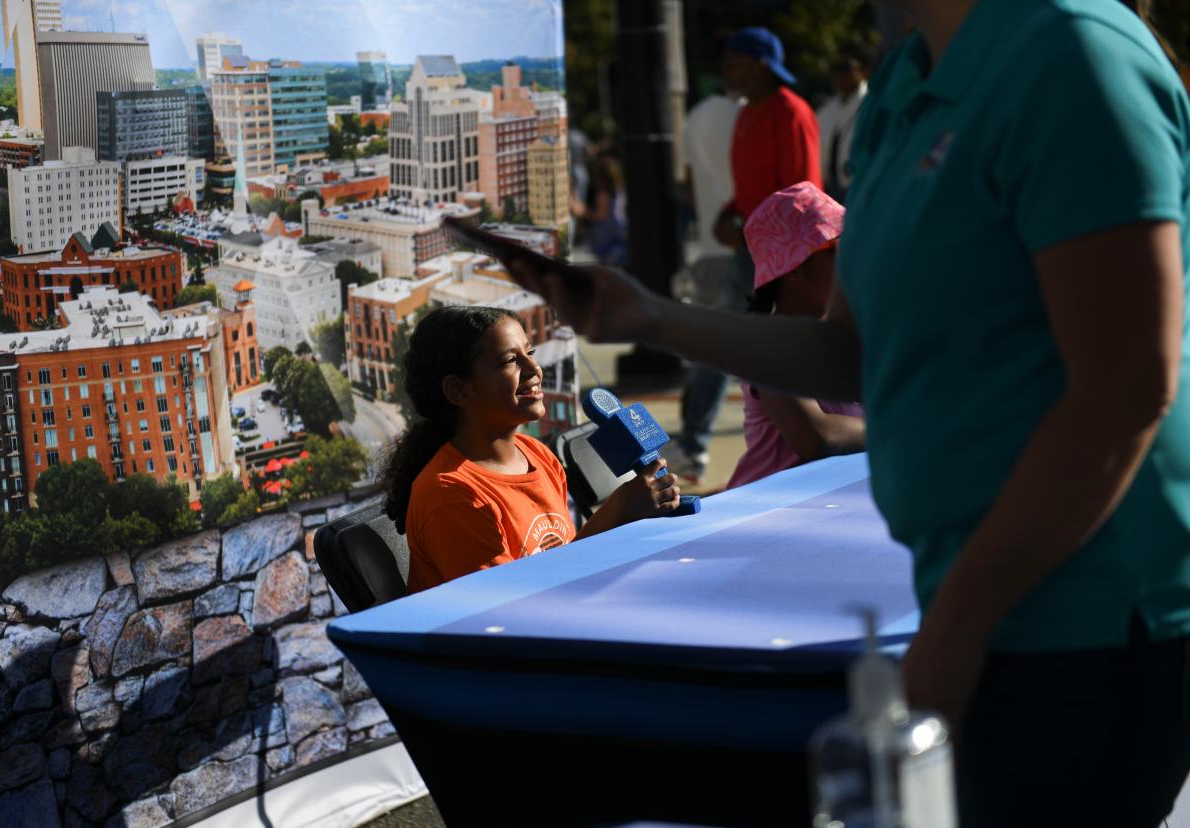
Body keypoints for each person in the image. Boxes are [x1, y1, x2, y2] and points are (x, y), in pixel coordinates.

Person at [508, 1, 1190, 824]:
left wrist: (959, 624)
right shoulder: (906, 81)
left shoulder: (1074, 50)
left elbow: (1123, 388)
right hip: (975, 604)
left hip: (1088, 620)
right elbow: (850, 350)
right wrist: (651, 317)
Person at [381, 306, 680, 594]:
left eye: (530, 353)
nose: (533, 368)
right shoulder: (450, 495)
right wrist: (615, 513)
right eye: (510, 361)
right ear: (459, 390)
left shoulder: (536, 453)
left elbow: (559, 564)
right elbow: (509, 608)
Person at [667, 26, 821, 485]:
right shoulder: (748, 113)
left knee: (759, 346)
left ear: (758, 65)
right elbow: (750, 188)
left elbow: (802, 196)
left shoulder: (792, 112)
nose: (726, 69)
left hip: (786, 258)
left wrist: (765, 240)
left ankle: (809, 442)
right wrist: (731, 214)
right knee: (725, 341)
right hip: (753, 250)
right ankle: (695, 445)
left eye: (734, 61)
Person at [727, 183, 864, 490]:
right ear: (793, 269)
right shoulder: (770, 347)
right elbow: (816, 438)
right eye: (837, 247)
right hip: (769, 517)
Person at [681, 90, 742, 308]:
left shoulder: (694, 117)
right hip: (744, 234)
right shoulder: (744, 112)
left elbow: (687, 175)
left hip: (711, 235)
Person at [815, 51, 869, 202]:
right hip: (828, 189)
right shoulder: (826, 110)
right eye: (835, 68)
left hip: (859, 188)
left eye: (845, 67)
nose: (839, 74)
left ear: (861, 71)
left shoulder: (873, 104)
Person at [571, 153, 628, 267]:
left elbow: (600, 216)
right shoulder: (620, 189)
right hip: (619, 231)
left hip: (607, 236)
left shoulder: (603, 194)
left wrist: (584, 210)